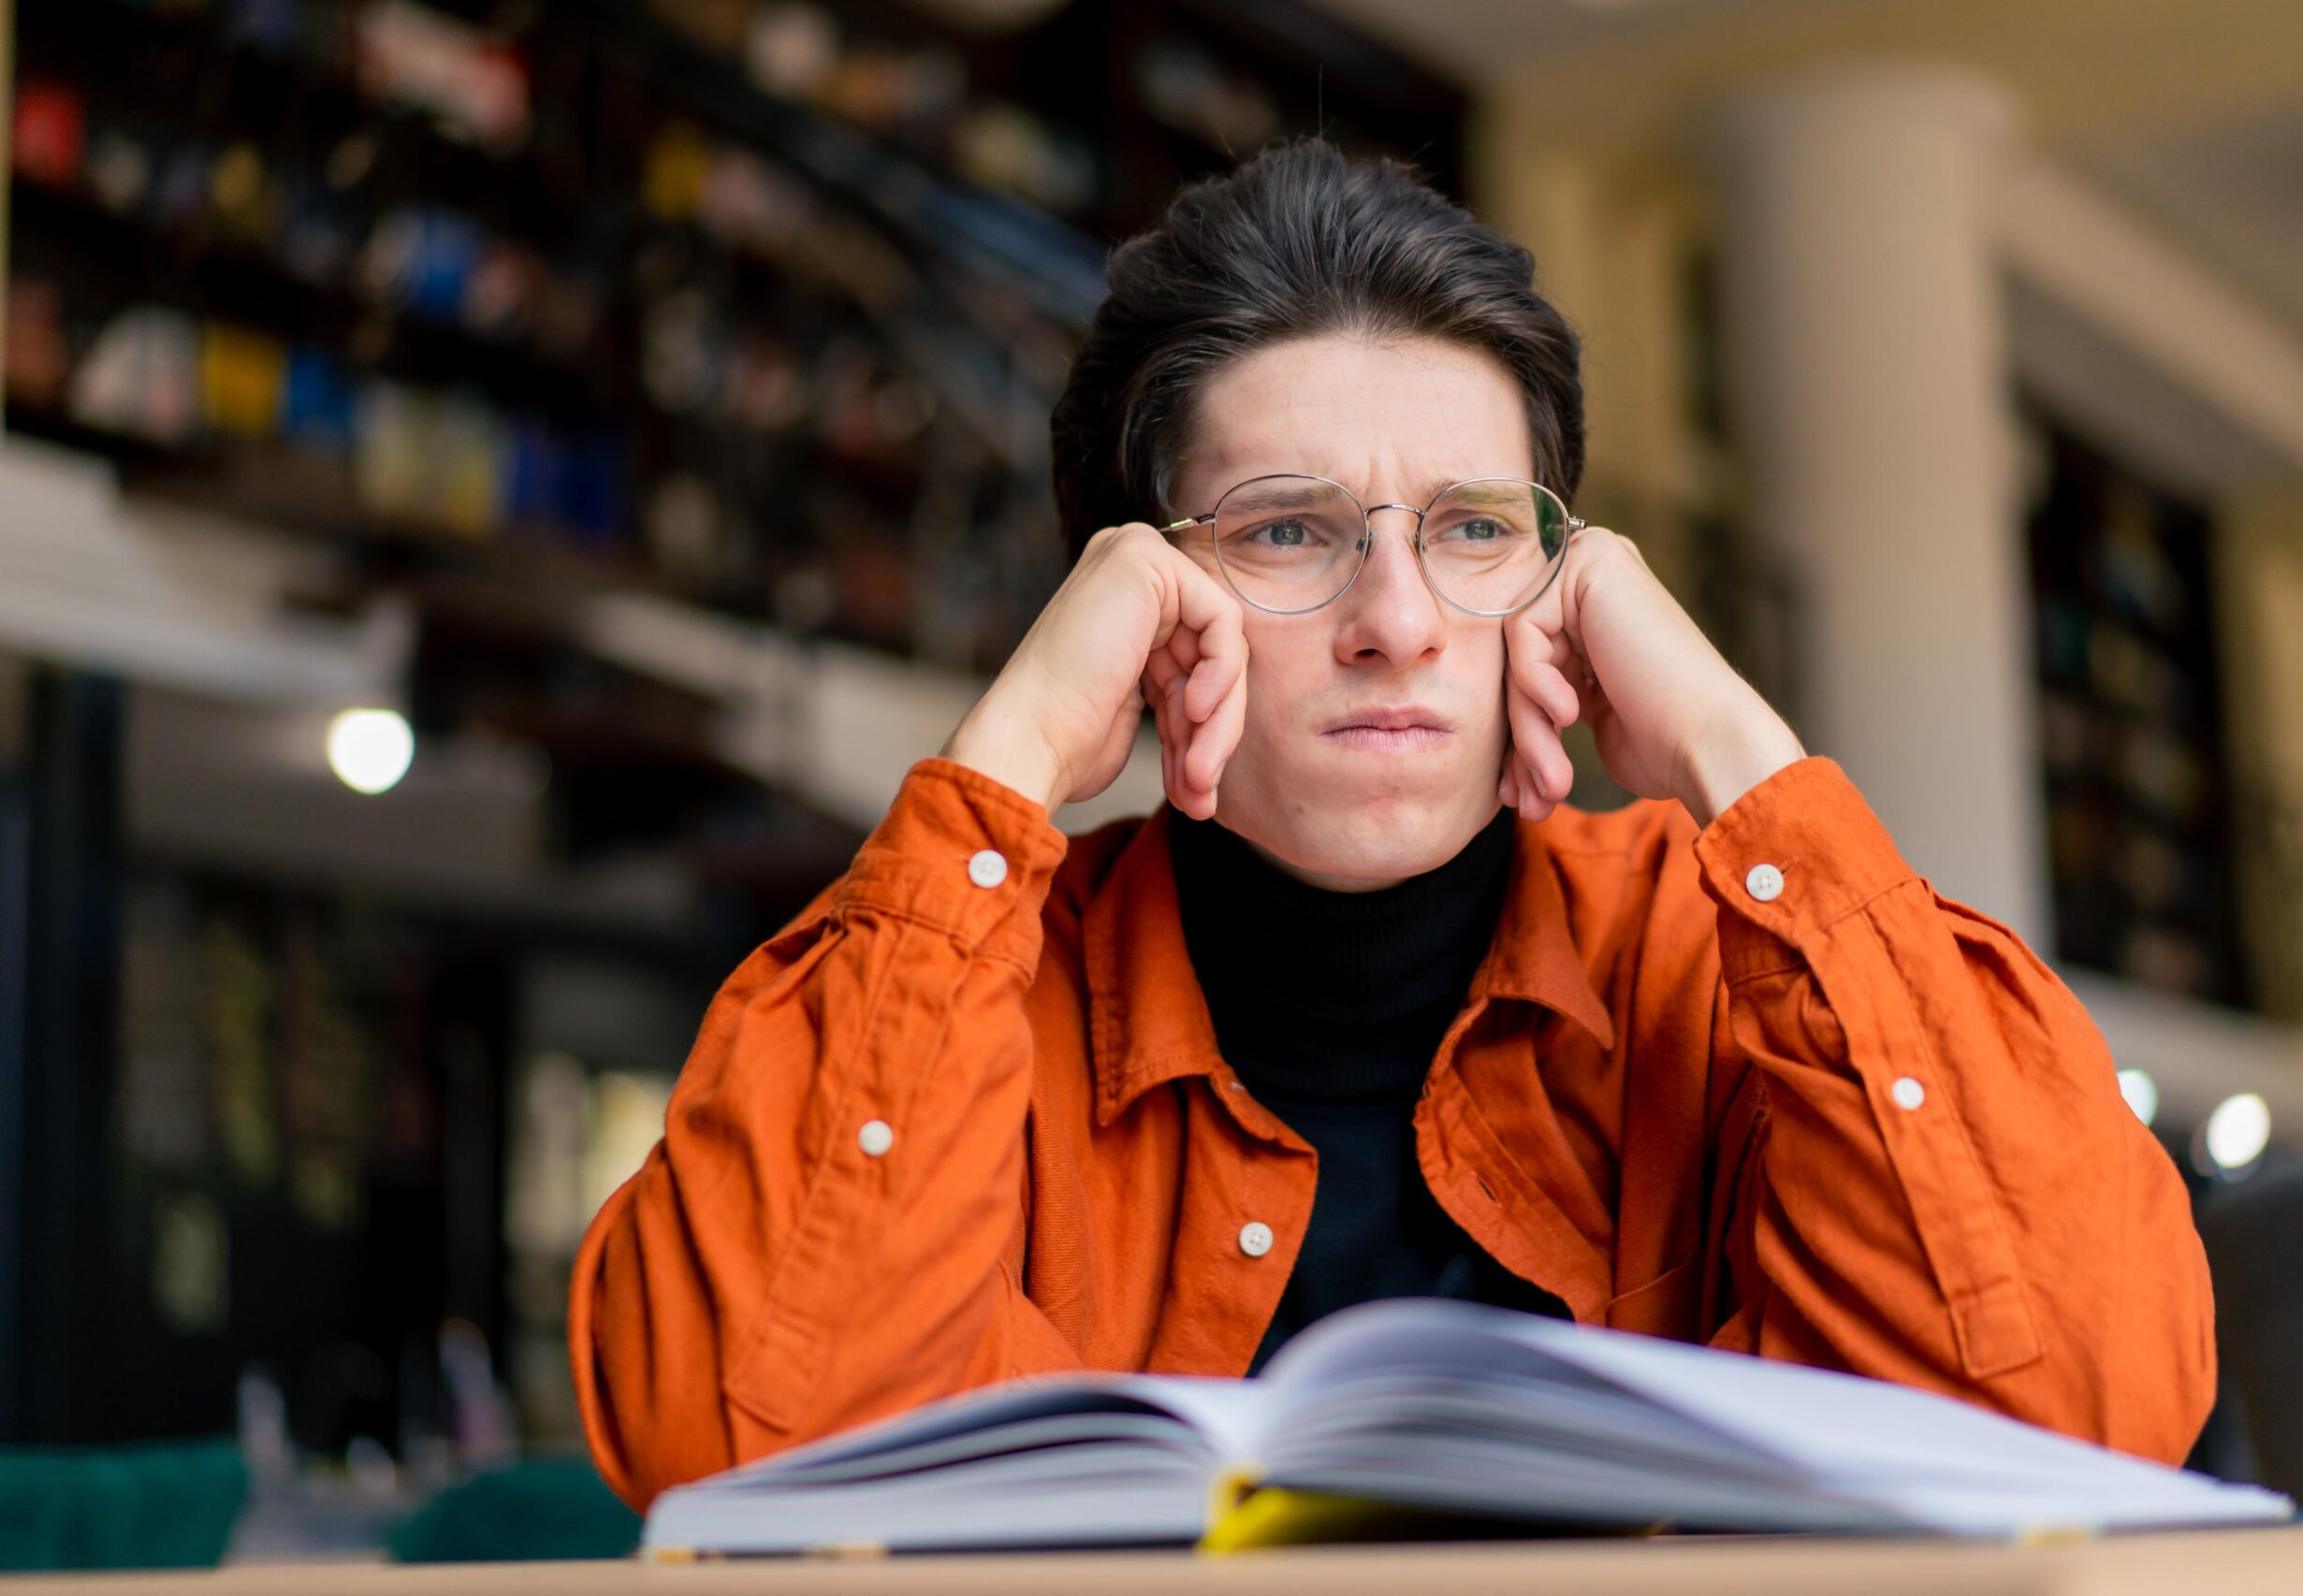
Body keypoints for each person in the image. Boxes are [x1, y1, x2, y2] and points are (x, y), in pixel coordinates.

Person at [569, 138, 2213, 1511]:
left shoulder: (1714, 956)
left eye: (1472, 528)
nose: (1400, 619)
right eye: (1288, 530)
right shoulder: (980, 996)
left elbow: (2075, 1405)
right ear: (1135, 598)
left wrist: (1731, 742)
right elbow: (744, 1446)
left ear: (1560, 581)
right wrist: (1002, 759)